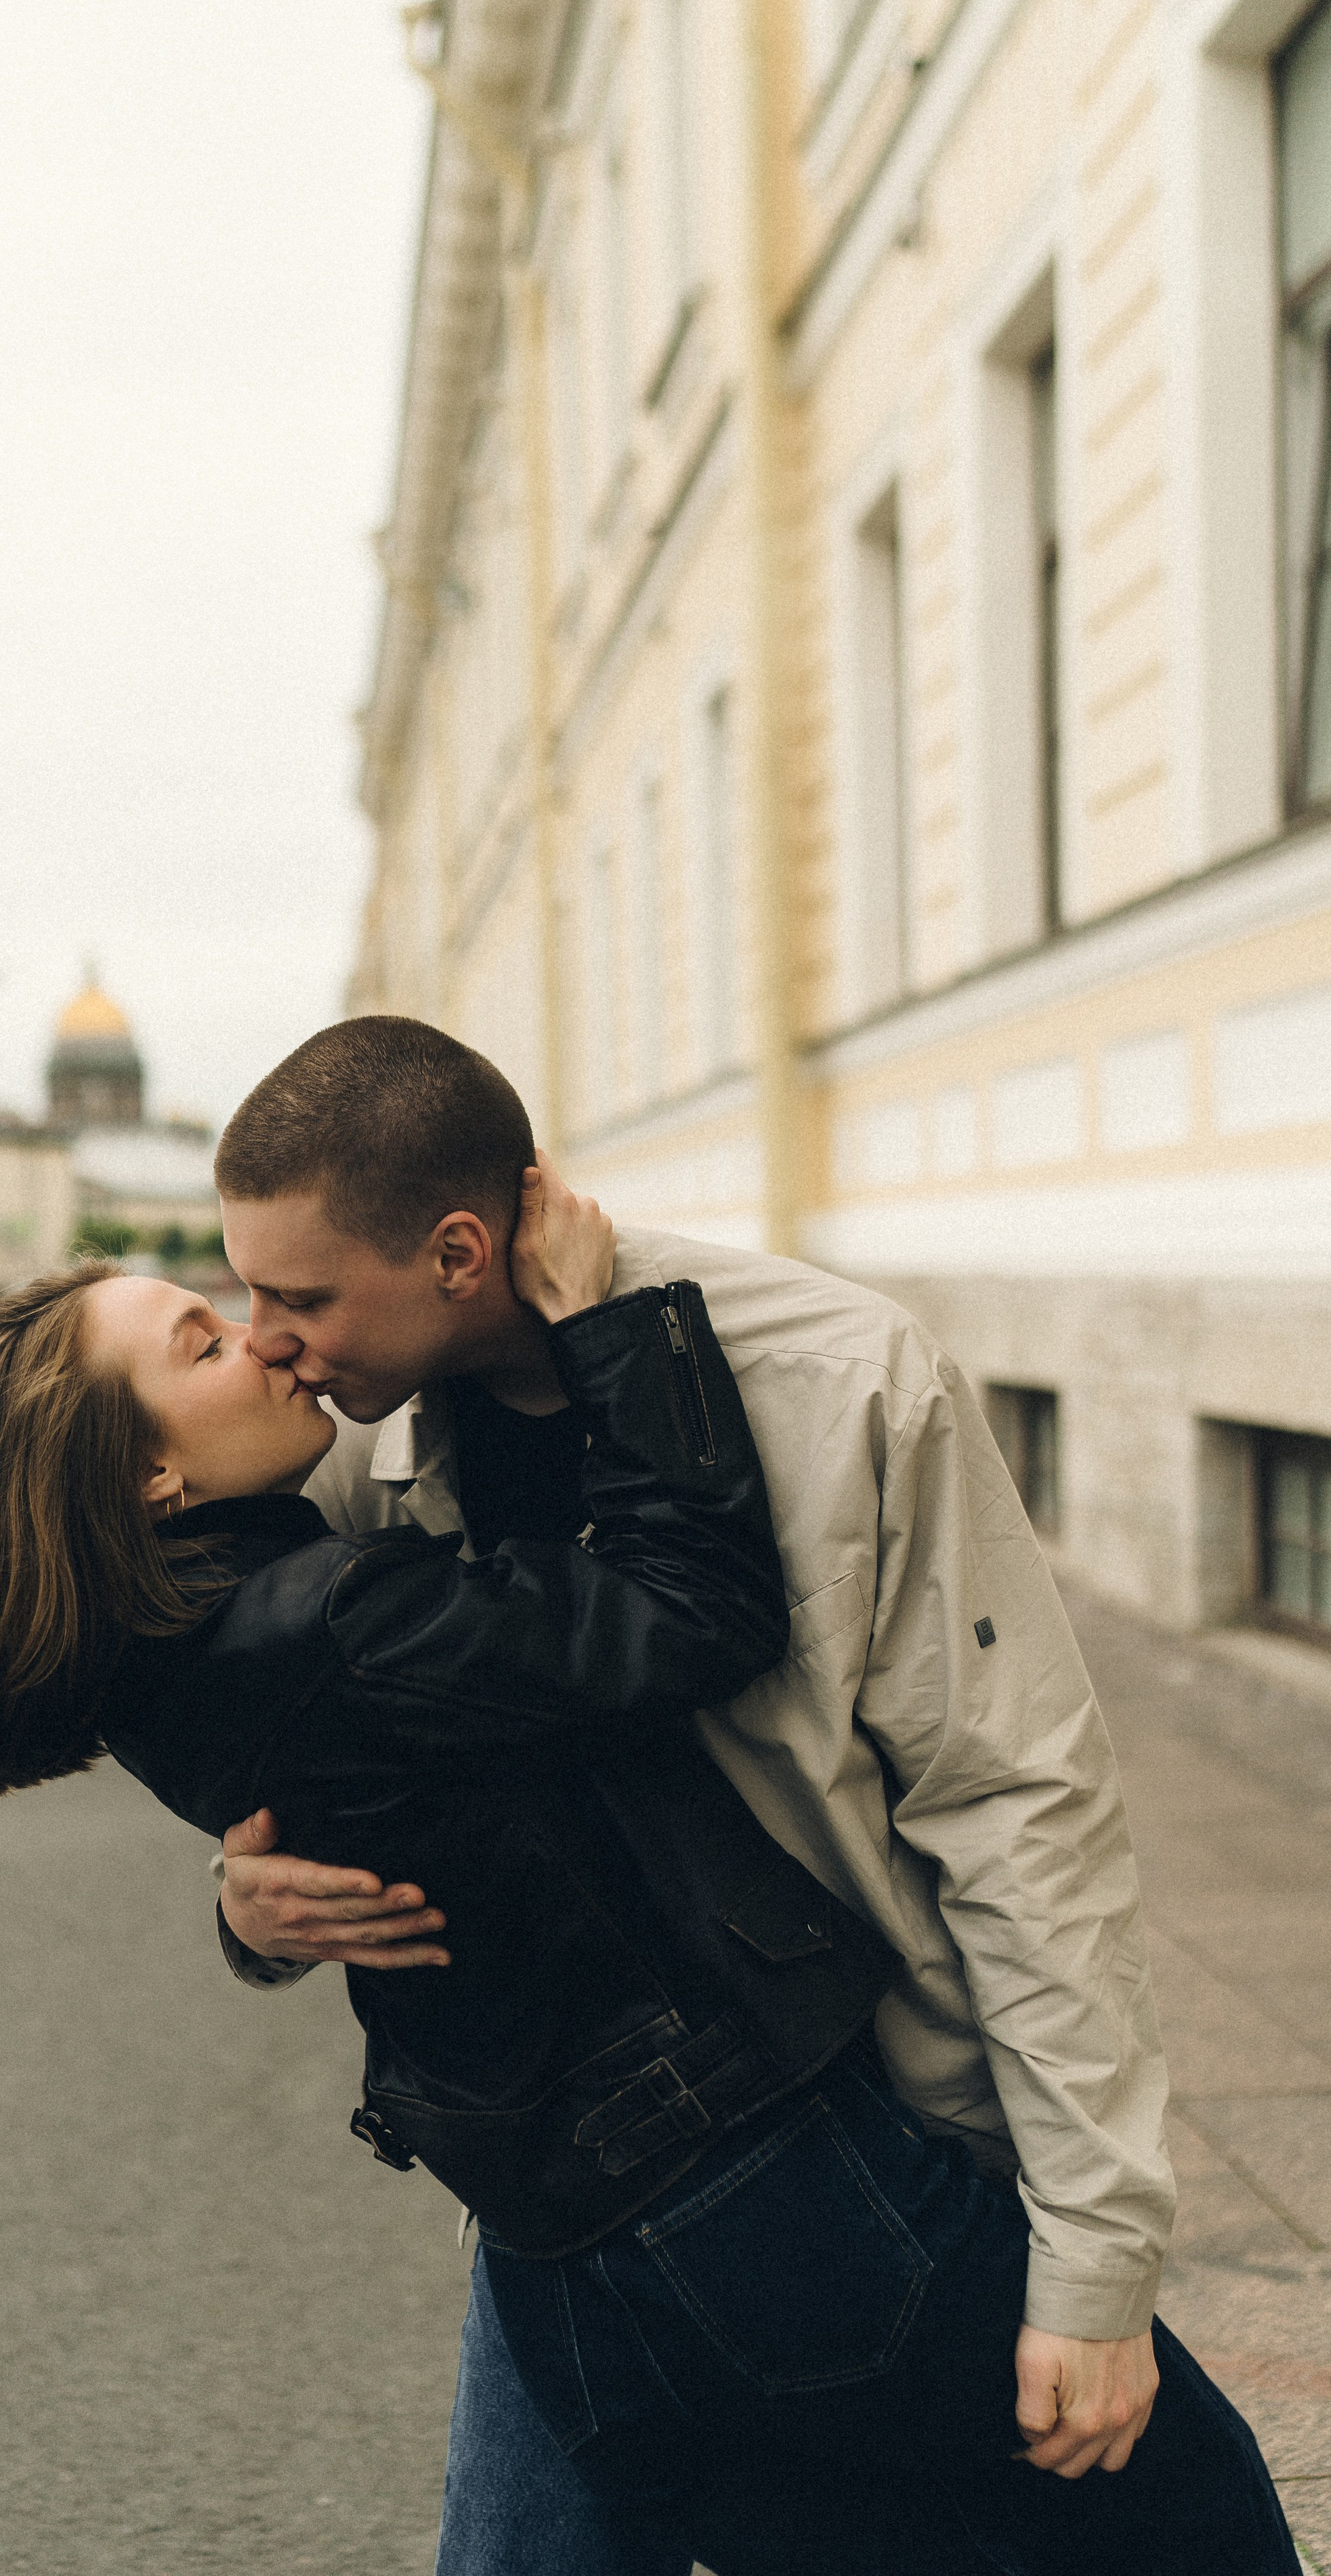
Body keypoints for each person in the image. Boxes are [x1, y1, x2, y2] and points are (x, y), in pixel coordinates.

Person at [204, 1014, 1294, 2576]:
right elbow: (298, 1742)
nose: (260, 1337)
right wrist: (250, 1906)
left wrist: (1094, 2261)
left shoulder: (836, 1382)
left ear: (457, 1251)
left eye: (294, 1294)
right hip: (559, 2181)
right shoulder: (356, 1456)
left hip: (852, 2138)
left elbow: (1017, 1816)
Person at [0, 1173, 927, 2564]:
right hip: (716, 2150)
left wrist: (242, 1903)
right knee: (1149, 2507)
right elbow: (691, 1617)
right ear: (149, 1475)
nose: (261, 1339)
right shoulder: (325, 1618)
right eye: (204, 1339)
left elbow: (348, 1783)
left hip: (539, 2165)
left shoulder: (176, 1631)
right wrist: (623, 1324)